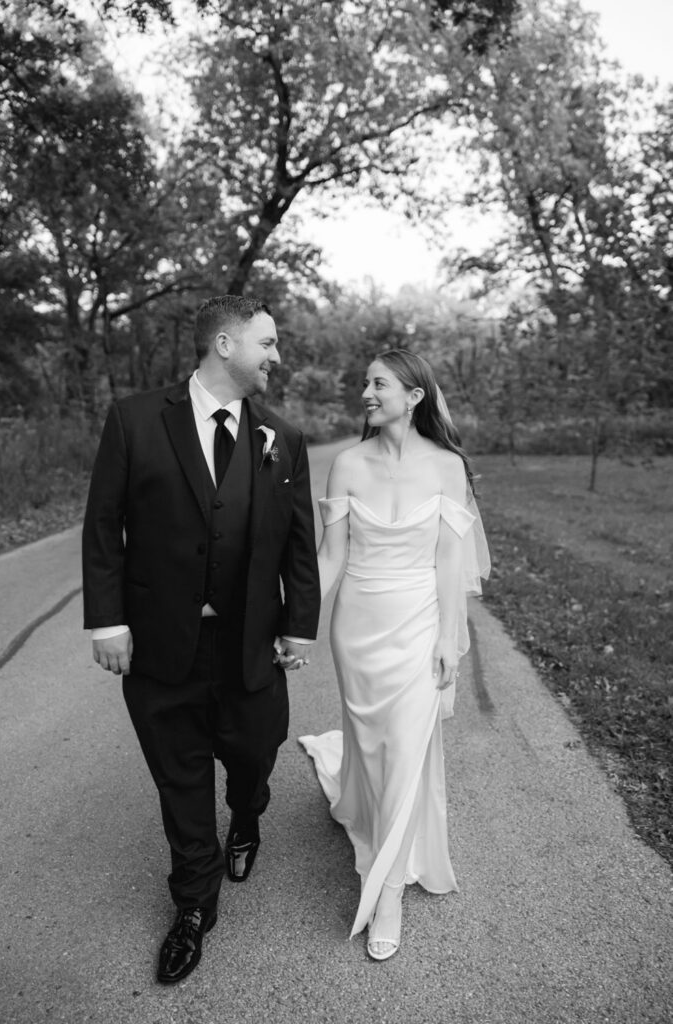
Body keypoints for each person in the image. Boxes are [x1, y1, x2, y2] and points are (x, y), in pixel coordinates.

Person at [82, 295, 320, 984]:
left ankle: (246, 817)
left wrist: (299, 625)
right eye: (268, 343)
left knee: (254, 753)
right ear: (225, 344)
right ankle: (192, 905)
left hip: (248, 645)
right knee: (179, 777)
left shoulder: (283, 439)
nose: (277, 356)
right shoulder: (133, 421)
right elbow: (104, 526)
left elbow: (300, 549)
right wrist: (108, 618)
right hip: (159, 646)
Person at [300, 348, 489, 961]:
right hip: (356, 627)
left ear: (414, 396)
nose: (365, 393)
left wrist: (445, 639)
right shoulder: (348, 464)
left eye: (377, 383)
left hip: (417, 625)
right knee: (373, 744)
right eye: (364, 383)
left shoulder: (447, 468)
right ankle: (362, 806)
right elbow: (331, 558)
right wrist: (296, 623)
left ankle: (386, 895)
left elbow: (448, 561)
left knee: (407, 749)